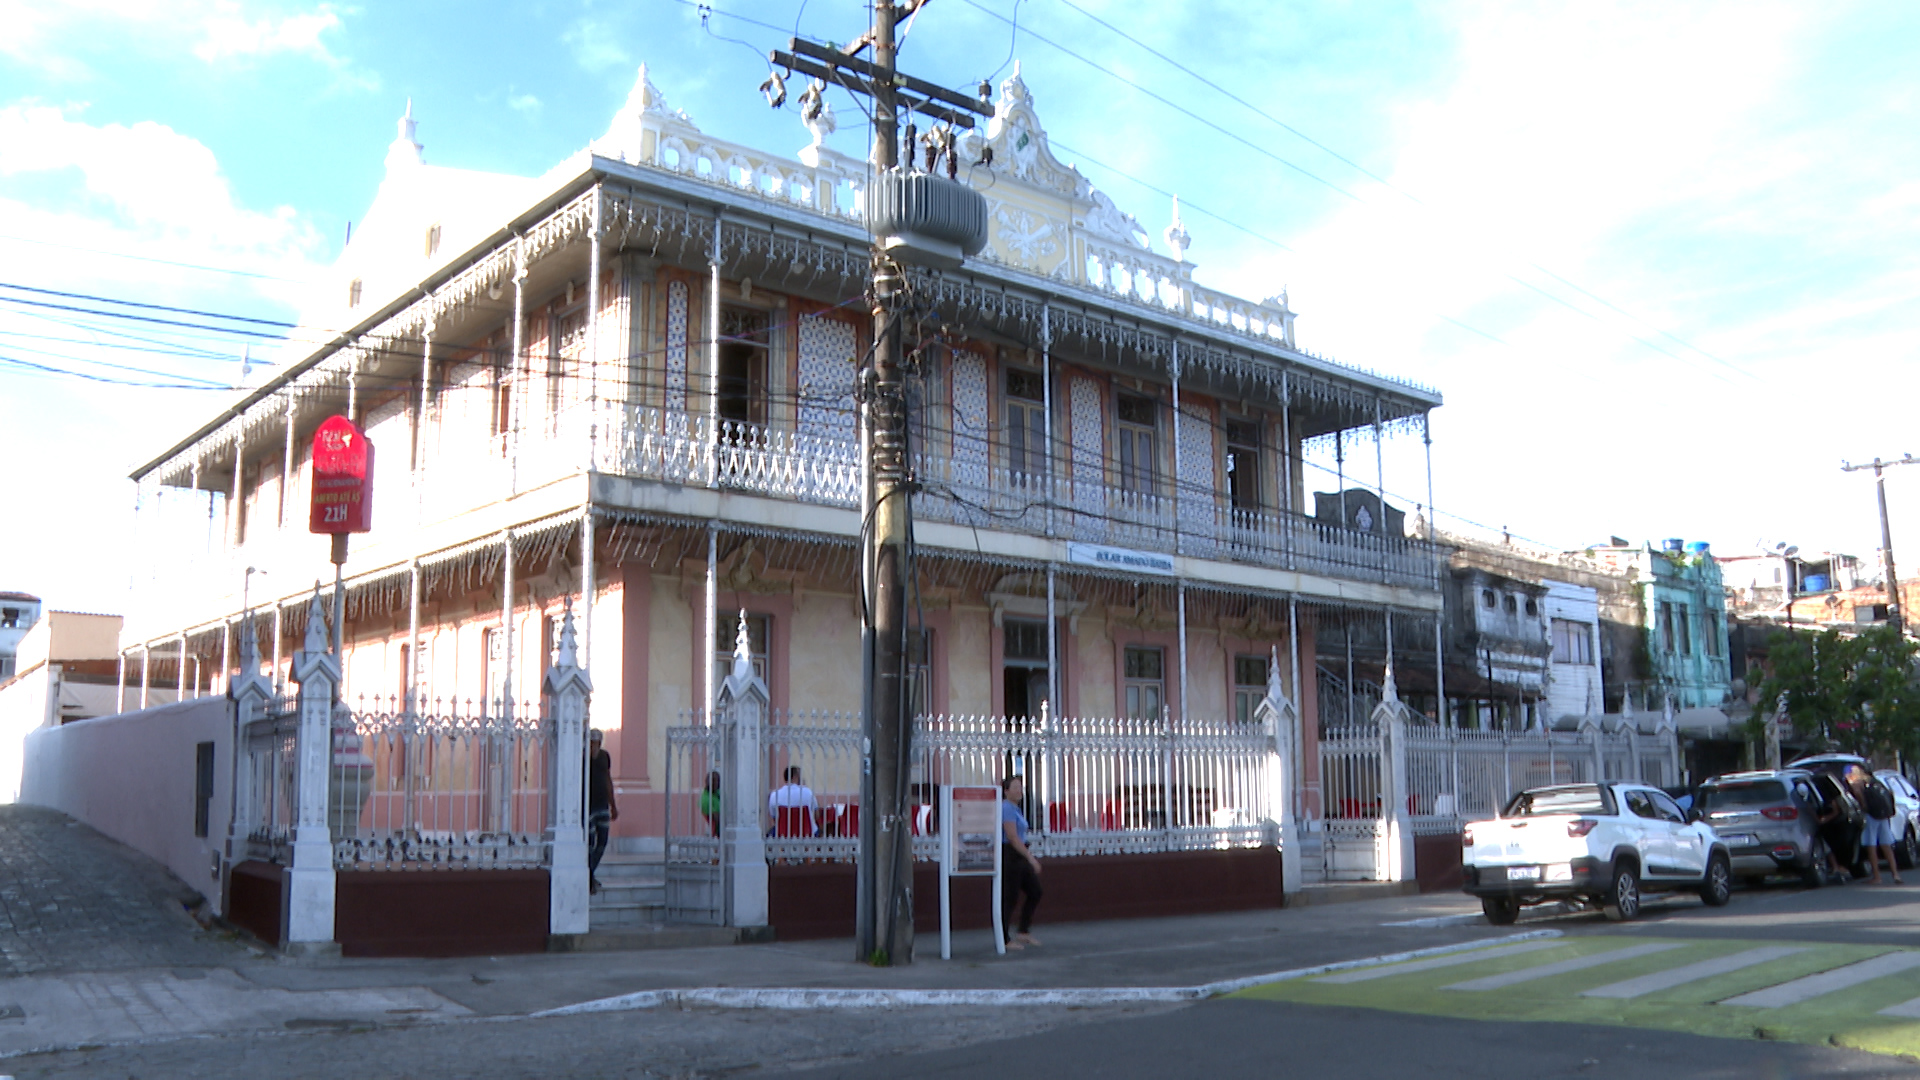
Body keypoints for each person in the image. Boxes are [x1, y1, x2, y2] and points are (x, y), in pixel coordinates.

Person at [1000, 774, 1043, 950]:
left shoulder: (1016, 809)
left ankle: (1023, 931)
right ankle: (1003, 939)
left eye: (1021, 787)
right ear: (1006, 791)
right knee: (1009, 897)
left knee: (1035, 891)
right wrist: (1030, 857)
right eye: (1015, 787)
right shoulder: (1007, 808)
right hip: (1011, 855)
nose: (1020, 791)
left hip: (1019, 854)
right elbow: (1012, 836)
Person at [1860, 768, 1904, 886]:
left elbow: (1862, 802)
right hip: (1883, 816)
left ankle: (1877, 877)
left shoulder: (1863, 785)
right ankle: (1895, 874)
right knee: (1886, 846)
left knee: (1871, 846)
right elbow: (1890, 794)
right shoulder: (1878, 783)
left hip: (1871, 816)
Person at [587, 729, 618, 895]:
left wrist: (613, 804)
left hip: (602, 805)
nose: (594, 746)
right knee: (590, 844)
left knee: (602, 841)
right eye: (592, 742)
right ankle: (589, 877)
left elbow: (607, 778)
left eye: (597, 743)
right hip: (588, 807)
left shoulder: (604, 757)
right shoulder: (582, 757)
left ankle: (590, 874)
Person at [767, 765, 818, 836]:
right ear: (795, 777)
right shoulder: (808, 792)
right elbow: (816, 814)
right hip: (807, 834)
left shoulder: (774, 795)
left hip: (784, 834)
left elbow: (775, 818)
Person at [699, 770, 722, 838]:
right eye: (713, 781)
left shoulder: (717, 793)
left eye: (718, 781)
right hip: (717, 832)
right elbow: (716, 819)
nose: (716, 783)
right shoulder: (706, 799)